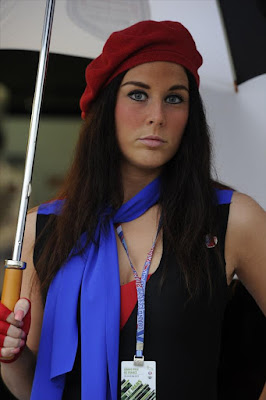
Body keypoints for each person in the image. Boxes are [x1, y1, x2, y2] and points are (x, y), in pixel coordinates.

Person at [0, 20, 265, 400]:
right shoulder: (43, 227)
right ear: (105, 108)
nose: (157, 114)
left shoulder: (231, 219)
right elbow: (32, 390)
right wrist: (11, 358)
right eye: (138, 95)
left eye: (175, 98)